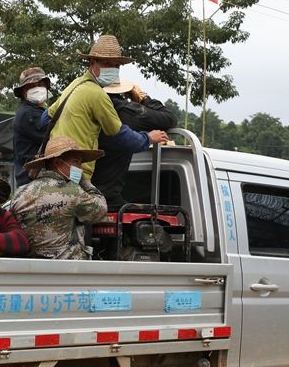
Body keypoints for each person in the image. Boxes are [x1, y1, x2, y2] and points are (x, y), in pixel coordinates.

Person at [46, 34, 167, 180]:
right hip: (74, 172)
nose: (113, 69)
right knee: (88, 201)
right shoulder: (97, 94)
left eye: (116, 65)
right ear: (92, 62)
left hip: (56, 166)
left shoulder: (75, 84)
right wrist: (148, 138)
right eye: (107, 63)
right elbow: (121, 136)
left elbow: (45, 118)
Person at [10, 136, 107, 260]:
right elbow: (100, 210)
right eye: (76, 161)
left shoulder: (20, 193)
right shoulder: (72, 191)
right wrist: (83, 180)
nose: (80, 168)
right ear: (58, 163)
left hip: (31, 268)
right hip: (67, 269)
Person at [92, 81, 178, 209]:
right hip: (107, 195)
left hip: (84, 187)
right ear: (121, 92)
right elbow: (169, 119)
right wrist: (143, 98)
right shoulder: (126, 111)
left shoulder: (88, 107)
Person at [12, 67, 51, 188]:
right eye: (31, 86)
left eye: (40, 84)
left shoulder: (38, 111)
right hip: (32, 181)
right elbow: (52, 138)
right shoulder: (29, 114)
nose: (37, 88)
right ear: (23, 92)